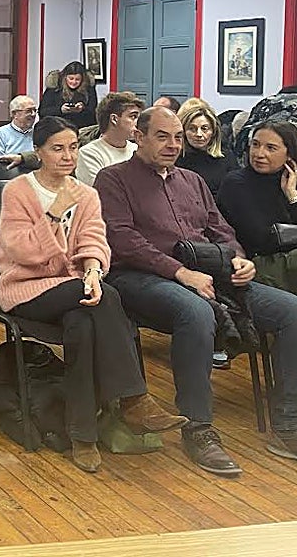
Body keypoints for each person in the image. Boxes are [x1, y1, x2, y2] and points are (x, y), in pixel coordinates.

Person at [95, 106, 297, 475]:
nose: (173, 145)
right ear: (138, 137)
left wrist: (239, 260)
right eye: (162, 137)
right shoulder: (113, 179)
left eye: (177, 137)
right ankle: (198, 428)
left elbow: (221, 230)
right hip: (138, 277)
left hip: (208, 274)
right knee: (196, 311)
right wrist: (181, 272)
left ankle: (287, 424)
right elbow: (124, 240)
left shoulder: (193, 181)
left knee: (291, 310)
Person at [0, 116, 185, 472]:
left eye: (73, 147)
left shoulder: (87, 194)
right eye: (57, 149)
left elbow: (95, 241)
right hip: (26, 289)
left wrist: (94, 271)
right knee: (109, 297)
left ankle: (83, 435)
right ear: (38, 151)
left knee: (82, 323)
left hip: (75, 290)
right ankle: (133, 400)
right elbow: (22, 252)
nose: (68, 156)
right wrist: (55, 211)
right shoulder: (17, 191)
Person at [217, 122, 297, 294]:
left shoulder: (291, 182)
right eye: (255, 145)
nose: (259, 154)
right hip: (254, 264)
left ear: (289, 154)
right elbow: (260, 239)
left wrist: (292, 197)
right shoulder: (236, 183)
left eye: (271, 148)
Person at [74, 91, 141, 186]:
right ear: (114, 119)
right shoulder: (89, 153)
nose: (138, 123)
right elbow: (100, 190)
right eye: (133, 117)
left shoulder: (137, 149)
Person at [177, 98, 238, 198]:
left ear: (213, 131)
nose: (199, 134)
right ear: (183, 131)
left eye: (204, 129)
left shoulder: (227, 158)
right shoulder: (176, 158)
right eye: (192, 129)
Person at [0, 96, 39, 174]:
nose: (33, 114)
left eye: (35, 110)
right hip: (10, 176)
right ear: (14, 114)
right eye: (28, 111)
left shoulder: (39, 133)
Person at [40, 61, 98, 130]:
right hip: (57, 129)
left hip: (81, 128)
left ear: (83, 79)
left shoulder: (89, 89)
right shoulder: (54, 88)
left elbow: (93, 113)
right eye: (71, 78)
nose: (74, 82)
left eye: (77, 79)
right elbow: (43, 111)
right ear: (65, 77)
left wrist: (82, 109)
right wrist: (60, 110)